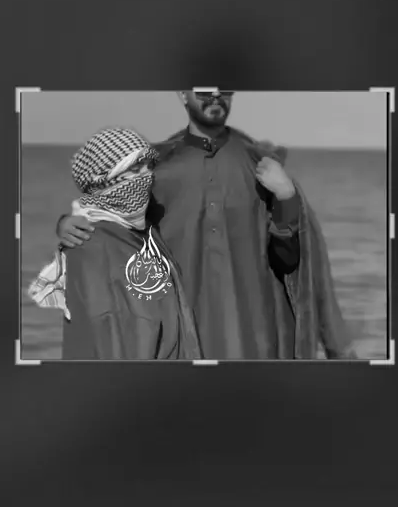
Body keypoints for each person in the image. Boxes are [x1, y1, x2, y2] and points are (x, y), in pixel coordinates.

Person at [57, 92, 356, 360]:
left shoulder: (262, 166)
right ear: (183, 94)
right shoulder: (157, 168)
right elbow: (113, 228)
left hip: (255, 338)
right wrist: (67, 225)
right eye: (203, 90)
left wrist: (287, 197)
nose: (215, 96)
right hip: (179, 337)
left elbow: (291, 261)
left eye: (224, 88)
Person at [28, 126, 202, 360]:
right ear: (104, 181)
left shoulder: (145, 234)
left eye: (149, 167)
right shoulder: (91, 247)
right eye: (135, 169)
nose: (146, 177)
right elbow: (111, 338)